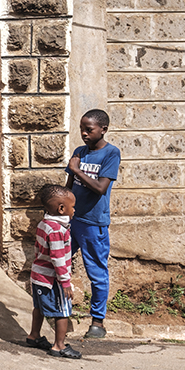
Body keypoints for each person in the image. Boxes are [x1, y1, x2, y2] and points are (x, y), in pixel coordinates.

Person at [65, 109, 121, 339]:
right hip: (73, 220)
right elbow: (69, 186)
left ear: (103, 129)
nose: (84, 134)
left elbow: (100, 188)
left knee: (96, 272)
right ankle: (62, 316)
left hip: (93, 223)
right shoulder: (80, 152)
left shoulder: (111, 154)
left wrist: (77, 169)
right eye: (81, 129)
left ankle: (97, 321)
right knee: (61, 264)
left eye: (89, 130)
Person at [26, 184, 81, 359]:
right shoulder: (58, 230)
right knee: (63, 311)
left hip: (38, 276)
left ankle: (34, 335)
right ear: (62, 208)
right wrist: (65, 282)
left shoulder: (44, 224)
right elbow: (58, 258)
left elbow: (37, 249)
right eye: (72, 206)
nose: (74, 210)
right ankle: (59, 345)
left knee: (39, 307)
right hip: (53, 280)